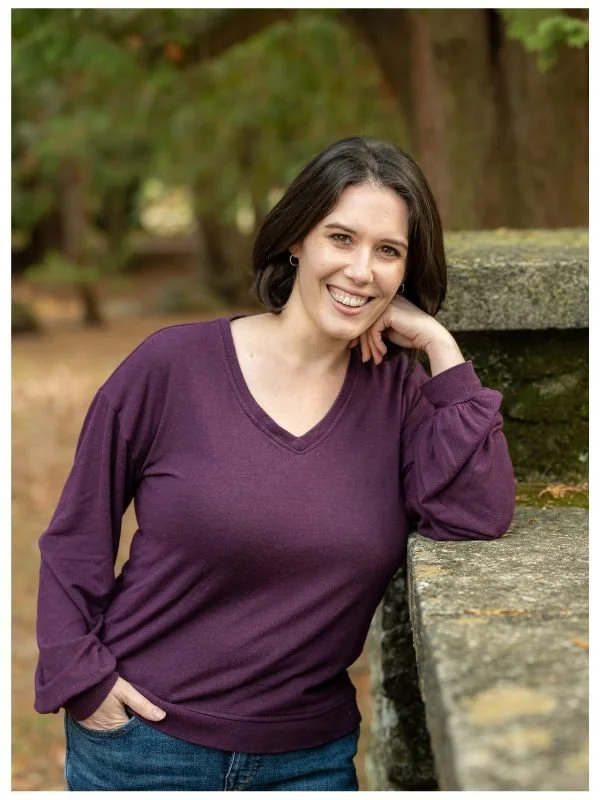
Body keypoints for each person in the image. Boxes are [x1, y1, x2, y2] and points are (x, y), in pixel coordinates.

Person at [34, 136, 515, 791]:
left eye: (388, 251)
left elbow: (476, 515)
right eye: (340, 238)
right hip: (143, 749)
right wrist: (80, 678)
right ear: (297, 240)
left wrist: (438, 343)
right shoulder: (171, 368)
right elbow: (76, 533)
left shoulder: (401, 398)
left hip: (309, 762)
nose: (361, 271)